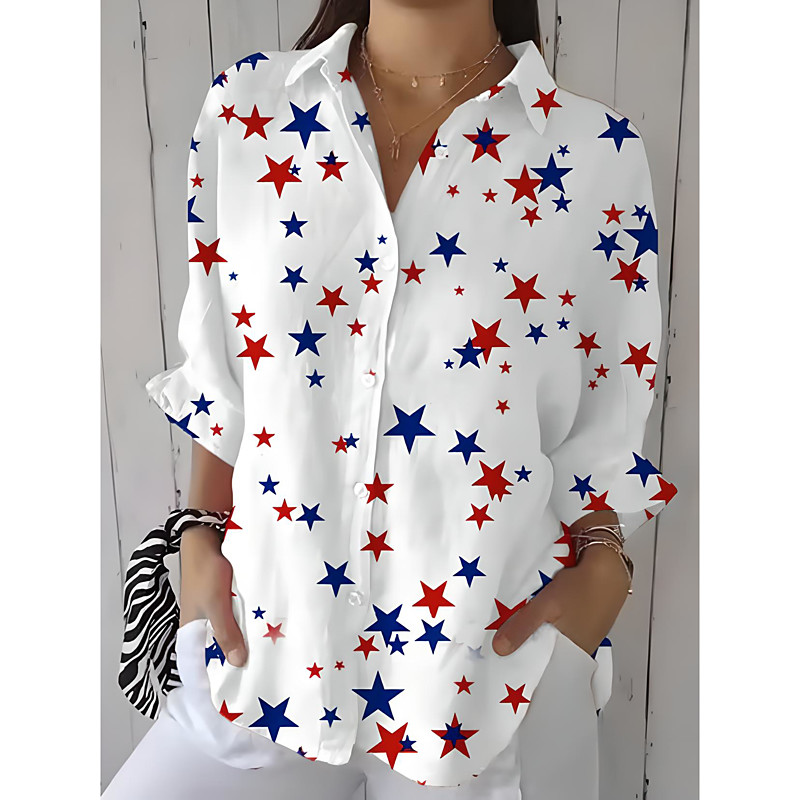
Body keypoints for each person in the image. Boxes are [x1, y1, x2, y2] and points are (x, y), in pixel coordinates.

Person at [104, 0, 678, 797]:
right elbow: (224, 367)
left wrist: (602, 578)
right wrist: (199, 535)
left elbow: (604, 424)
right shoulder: (249, 112)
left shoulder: (593, 155)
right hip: (263, 655)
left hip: (484, 688)